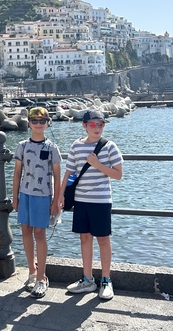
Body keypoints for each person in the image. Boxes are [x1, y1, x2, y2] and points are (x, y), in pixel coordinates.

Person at [60, 109, 123, 300]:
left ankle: (106, 280)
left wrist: (97, 165)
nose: (97, 128)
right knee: (84, 239)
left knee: (103, 239)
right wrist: (60, 195)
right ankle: (87, 279)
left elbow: (118, 174)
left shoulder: (109, 146)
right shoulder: (76, 146)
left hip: (101, 200)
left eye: (101, 124)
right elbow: (70, 172)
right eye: (93, 124)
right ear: (84, 125)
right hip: (80, 200)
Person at [12, 107, 61, 298]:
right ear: (29, 123)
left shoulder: (52, 148)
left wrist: (56, 201)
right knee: (25, 230)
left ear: (48, 123)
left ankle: (42, 277)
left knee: (39, 233)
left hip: (43, 196)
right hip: (25, 194)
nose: (39, 124)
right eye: (35, 121)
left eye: (42, 121)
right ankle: (32, 270)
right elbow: (17, 173)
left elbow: (57, 176)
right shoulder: (22, 146)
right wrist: (14, 196)